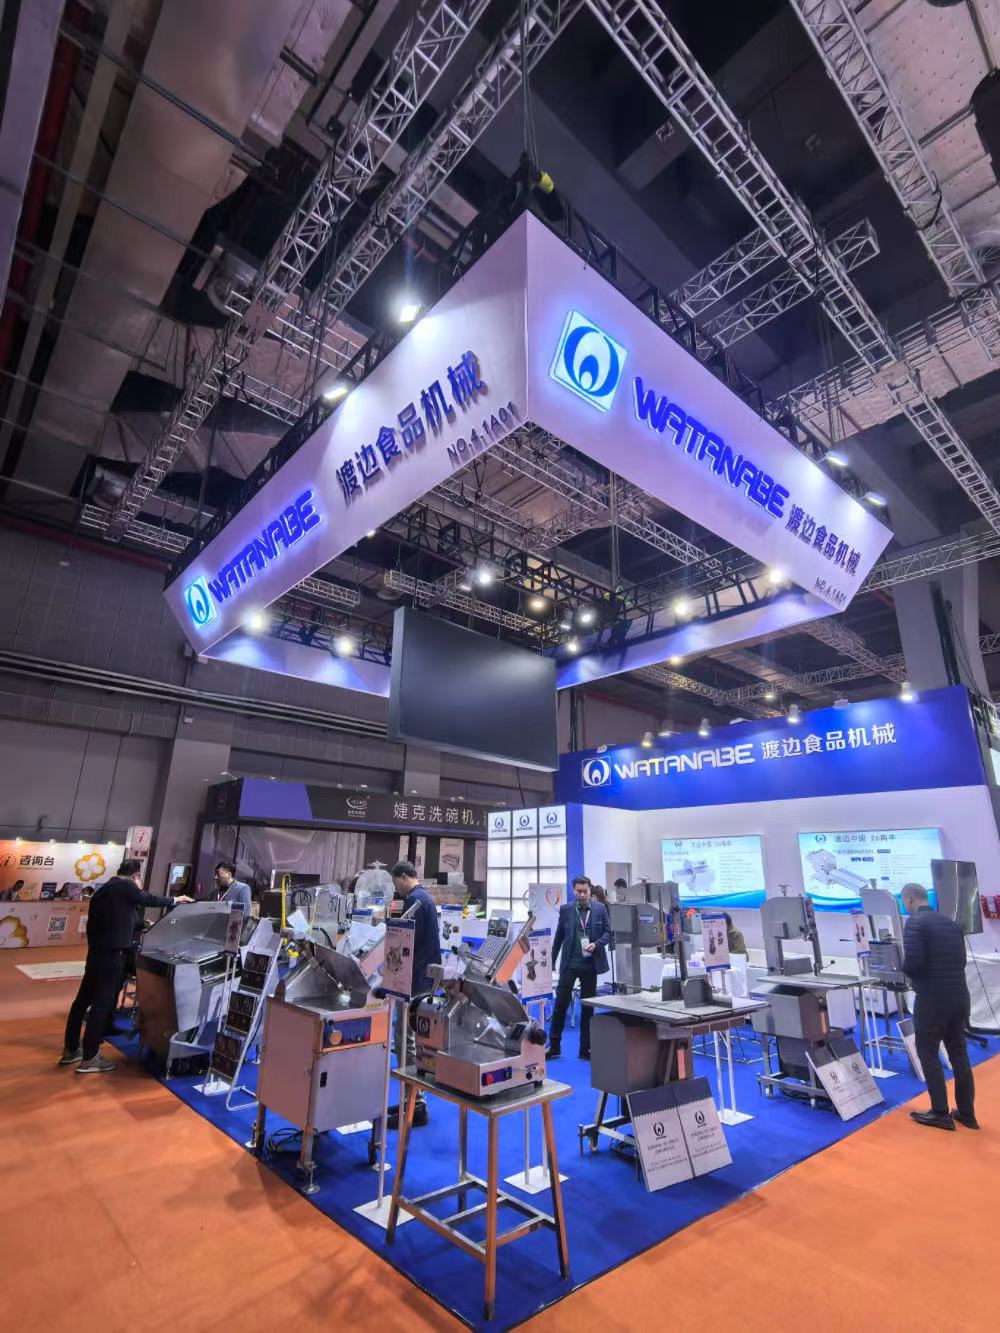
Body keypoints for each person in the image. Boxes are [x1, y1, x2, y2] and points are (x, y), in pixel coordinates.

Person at [61, 858, 191, 1073]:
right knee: (102, 1004)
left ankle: (71, 1048)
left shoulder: (104, 890)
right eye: (139, 879)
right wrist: (176, 899)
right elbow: (150, 899)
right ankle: (90, 1056)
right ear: (136, 876)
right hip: (113, 956)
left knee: (81, 1002)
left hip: (96, 954)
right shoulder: (125, 887)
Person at [900, 882, 977, 1130]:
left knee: (927, 1051)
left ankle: (940, 1112)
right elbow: (961, 961)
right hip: (959, 996)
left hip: (932, 998)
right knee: (958, 1053)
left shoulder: (915, 923)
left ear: (909, 899)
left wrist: (902, 970)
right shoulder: (951, 924)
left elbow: (913, 964)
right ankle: (966, 1113)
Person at [387, 861, 441, 1128]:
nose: (395, 888)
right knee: (414, 1038)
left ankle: (415, 1103)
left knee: (405, 1037)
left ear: (403, 877)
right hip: (423, 976)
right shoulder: (424, 899)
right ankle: (411, 1098)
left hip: (414, 978)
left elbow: (406, 942)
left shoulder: (415, 901)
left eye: (395, 882)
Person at [547, 876, 612, 1061]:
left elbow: (609, 933)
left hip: (590, 965)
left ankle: (585, 1049)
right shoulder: (566, 909)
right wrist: (551, 962)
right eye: (578, 891)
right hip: (569, 965)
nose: (582, 895)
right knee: (560, 1006)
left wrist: (597, 944)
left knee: (587, 1009)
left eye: (585, 891)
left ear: (590, 890)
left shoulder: (600, 909)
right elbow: (559, 937)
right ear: (573, 891)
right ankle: (554, 1046)